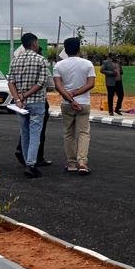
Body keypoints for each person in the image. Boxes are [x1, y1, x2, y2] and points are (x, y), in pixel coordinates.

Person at [7, 32, 49, 178]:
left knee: (24, 133)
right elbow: (41, 83)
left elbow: (10, 81)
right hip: (36, 102)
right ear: (34, 43)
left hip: (20, 104)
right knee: (35, 134)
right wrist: (25, 95)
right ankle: (31, 164)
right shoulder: (41, 60)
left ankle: (27, 162)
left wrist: (18, 98)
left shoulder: (15, 60)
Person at [52, 36, 95, 175]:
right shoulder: (88, 64)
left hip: (66, 103)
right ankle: (82, 162)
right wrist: (76, 94)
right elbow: (91, 84)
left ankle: (71, 163)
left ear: (65, 50)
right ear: (79, 49)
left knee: (68, 133)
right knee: (83, 133)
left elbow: (58, 86)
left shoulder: (58, 66)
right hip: (84, 103)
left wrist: (70, 99)